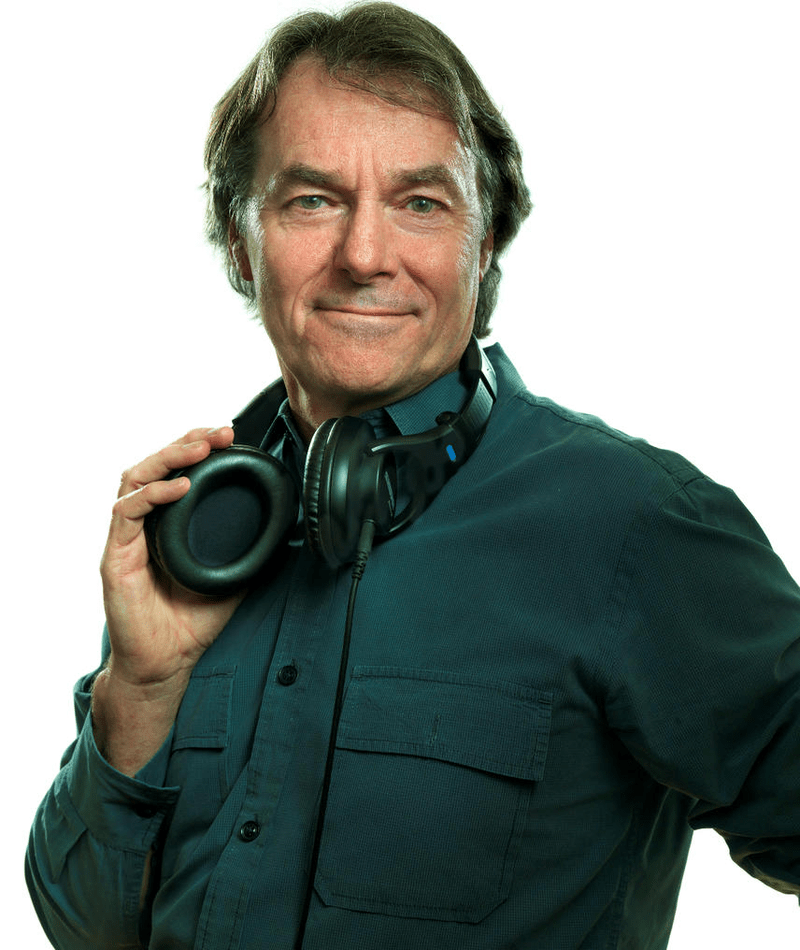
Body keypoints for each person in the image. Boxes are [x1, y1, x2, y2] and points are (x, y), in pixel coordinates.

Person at [25, 3, 800, 948]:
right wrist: (141, 688)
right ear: (239, 240)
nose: (363, 255)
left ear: (486, 240)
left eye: (421, 203)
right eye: (312, 200)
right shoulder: (202, 530)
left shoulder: (635, 525)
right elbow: (86, 929)